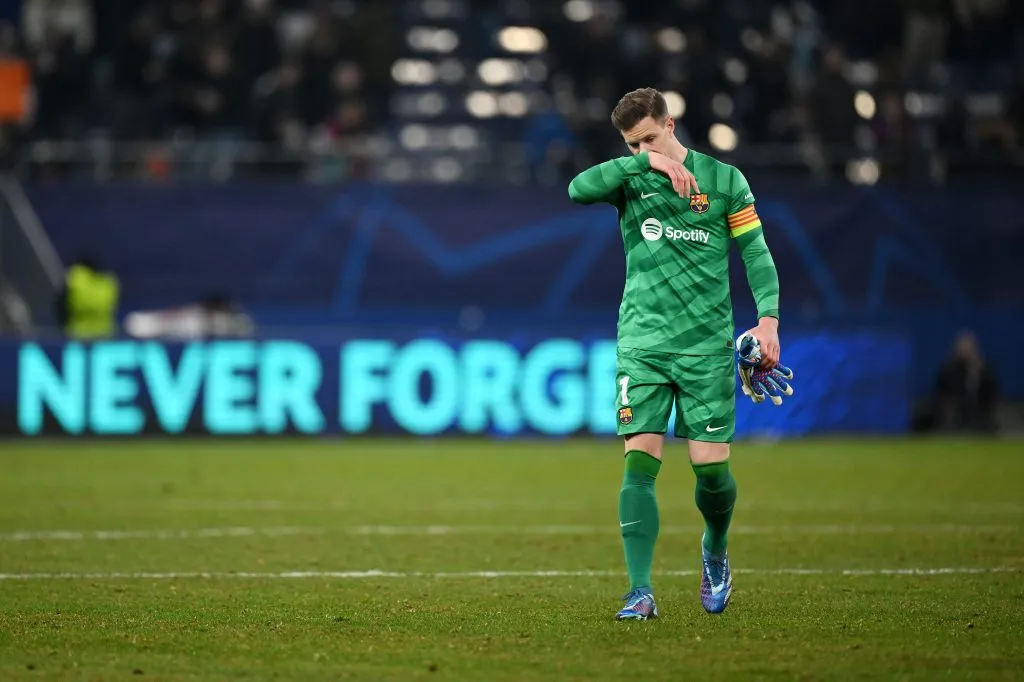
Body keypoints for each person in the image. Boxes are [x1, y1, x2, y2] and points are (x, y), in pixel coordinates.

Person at [567, 88, 792, 620]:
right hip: (642, 345)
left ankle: (715, 548)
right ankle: (639, 591)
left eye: (649, 138)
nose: (641, 149)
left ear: (670, 124)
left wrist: (768, 321)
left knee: (711, 474)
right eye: (631, 144)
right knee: (639, 465)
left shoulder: (724, 181)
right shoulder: (631, 178)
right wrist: (644, 163)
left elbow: (755, 252)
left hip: (705, 347)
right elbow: (577, 189)